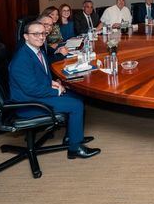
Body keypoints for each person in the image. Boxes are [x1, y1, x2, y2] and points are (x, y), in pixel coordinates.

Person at [8, 21, 100, 159]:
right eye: (36, 34)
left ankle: (72, 136)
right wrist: (57, 91)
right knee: (76, 105)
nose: (41, 37)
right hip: (28, 103)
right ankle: (75, 148)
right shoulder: (21, 59)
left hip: (37, 94)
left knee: (77, 95)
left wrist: (53, 82)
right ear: (26, 36)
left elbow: (38, 76)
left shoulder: (36, 50)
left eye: (43, 33)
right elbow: (31, 89)